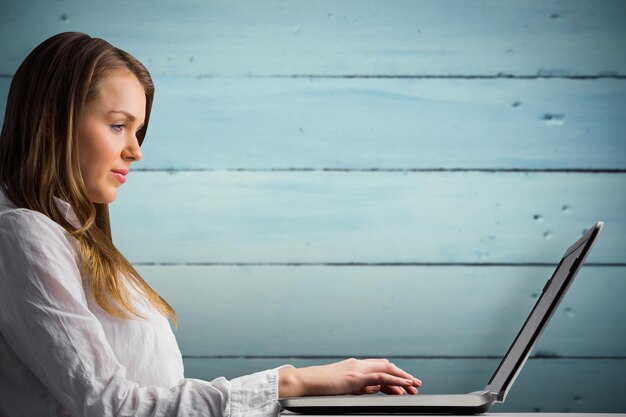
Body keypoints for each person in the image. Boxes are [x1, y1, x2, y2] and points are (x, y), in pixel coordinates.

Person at [0, 32, 422, 416]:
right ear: (53, 122)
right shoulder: (22, 233)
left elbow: (149, 394)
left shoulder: (67, 236)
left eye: (138, 131)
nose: (135, 151)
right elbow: (110, 404)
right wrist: (293, 382)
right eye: (117, 125)